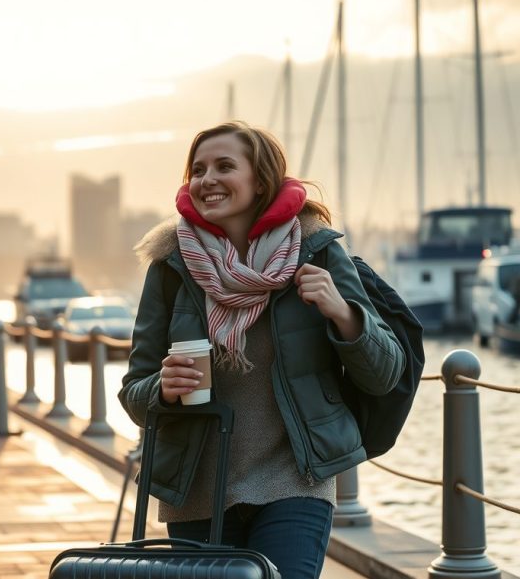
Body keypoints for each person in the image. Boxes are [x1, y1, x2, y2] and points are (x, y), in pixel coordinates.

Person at [119, 121, 405, 579]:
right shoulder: (171, 266)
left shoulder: (316, 252)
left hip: (296, 480)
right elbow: (134, 394)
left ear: (260, 180)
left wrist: (342, 312)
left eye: (224, 166)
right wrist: (163, 387)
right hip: (196, 490)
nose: (207, 179)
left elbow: (385, 373)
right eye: (198, 169)